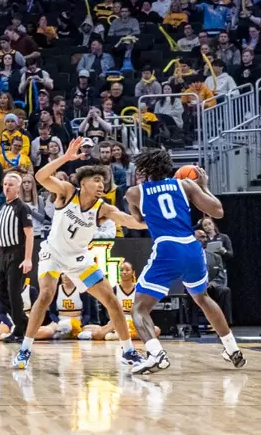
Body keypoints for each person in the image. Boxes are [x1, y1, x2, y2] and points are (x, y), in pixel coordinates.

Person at [17, 138, 142, 370]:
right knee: (45, 295)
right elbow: (40, 177)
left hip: (79, 259)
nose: (101, 184)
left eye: (103, 181)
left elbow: (128, 221)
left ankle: (128, 351)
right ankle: (24, 349)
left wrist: (155, 223)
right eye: (96, 180)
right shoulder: (67, 192)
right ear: (83, 183)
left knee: (112, 301)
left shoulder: (103, 208)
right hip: (53, 254)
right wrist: (65, 158)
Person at [125, 150, 244, 373]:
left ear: (143, 169)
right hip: (191, 247)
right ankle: (232, 348)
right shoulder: (185, 185)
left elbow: (139, 219)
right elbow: (217, 211)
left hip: (167, 248)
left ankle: (156, 354)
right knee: (203, 298)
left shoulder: (134, 193)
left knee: (139, 308)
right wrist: (203, 187)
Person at [0, 173, 34, 342]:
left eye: (11, 184)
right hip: (3, 253)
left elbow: (29, 234)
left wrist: (28, 258)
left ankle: (19, 329)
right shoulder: (2, 208)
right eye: (5, 184)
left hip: (17, 253)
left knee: (13, 292)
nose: (7, 187)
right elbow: (0, 235)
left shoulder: (22, 208)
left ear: (18, 188)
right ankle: (23, 322)